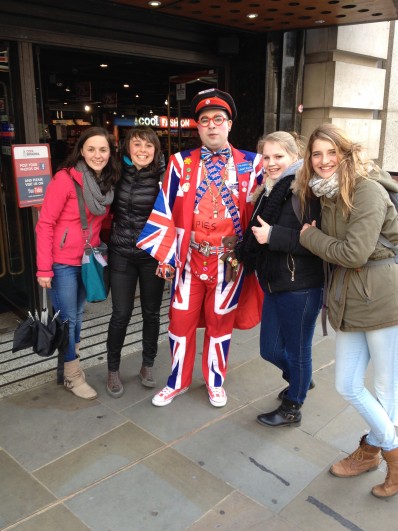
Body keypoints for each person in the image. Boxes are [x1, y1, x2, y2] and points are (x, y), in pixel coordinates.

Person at [138, 88, 264, 408]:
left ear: (229, 124)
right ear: (197, 126)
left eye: (218, 119)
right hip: (189, 263)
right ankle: (177, 381)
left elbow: (273, 202)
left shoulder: (253, 164)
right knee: (179, 324)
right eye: (204, 120)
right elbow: (164, 208)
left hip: (230, 265)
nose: (211, 125)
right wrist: (166, 257)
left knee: (220, 326)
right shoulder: (180, 163)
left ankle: (214, 381)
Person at [298, 123, 398, 498]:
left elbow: (353, 252)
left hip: (383, 296)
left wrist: (310, 237)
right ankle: (384, 449)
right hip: (349, 295)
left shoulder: (367, 190)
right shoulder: (325, 193)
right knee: (347, 384)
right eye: (316, 154)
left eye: (330, 152)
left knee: (387, 390)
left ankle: (378, 454)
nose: (323, 161)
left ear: (346, 152)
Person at [236, 131, 324, 427]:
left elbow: (320, 242)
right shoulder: (271, 189)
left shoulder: (307, 190)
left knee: (299, 350)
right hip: (274, 282)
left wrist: (273, 236)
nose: (271, 163)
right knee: (269, 349)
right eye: (266, 156)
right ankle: (302, 380)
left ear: (295, 156)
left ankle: (292, 406)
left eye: (278, 156)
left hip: (301, 286)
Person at [36, 126, 120, 400]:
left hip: (88, 258)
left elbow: (102, 220)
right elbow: (45, 224)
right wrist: (43, 268)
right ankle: (72, 376)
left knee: (78, 317)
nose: (98, 155)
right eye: (91, 149)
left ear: (110, 152)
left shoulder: (106, 182)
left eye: (103, 149)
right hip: (62, 262)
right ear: (81, 150)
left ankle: (68, 362)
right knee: (70, 319)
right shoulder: (64, 179)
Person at [106, 126, 166, 398]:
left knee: (152, 312)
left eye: (148, 146)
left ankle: (147, 365)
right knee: (121, 313)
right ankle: (113, 369)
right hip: (121, 252)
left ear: (156, 150)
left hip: (151, 255)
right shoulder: (116, 171)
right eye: (137, 144)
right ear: (128, 147)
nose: (142, 151)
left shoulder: (164, 176)